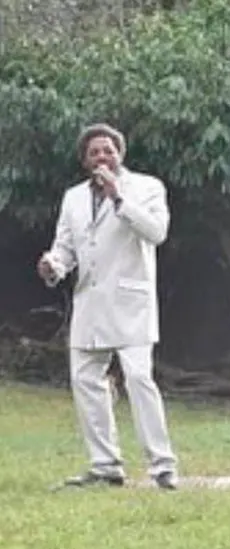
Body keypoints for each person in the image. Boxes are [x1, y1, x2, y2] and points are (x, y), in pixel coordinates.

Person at [37, 122, 179, 490]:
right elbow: (65, 246)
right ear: (85, 160)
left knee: (138, 378)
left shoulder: (146, 188)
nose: (102, 156)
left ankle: (162, 466)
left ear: (120, 154)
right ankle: (105, 466)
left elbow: (156, 232)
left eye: (108, 150)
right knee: (86, 381)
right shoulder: (73, 198)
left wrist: (119, 198)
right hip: (90, 302)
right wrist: (53, 265)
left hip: (131, 301)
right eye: (94, 152)